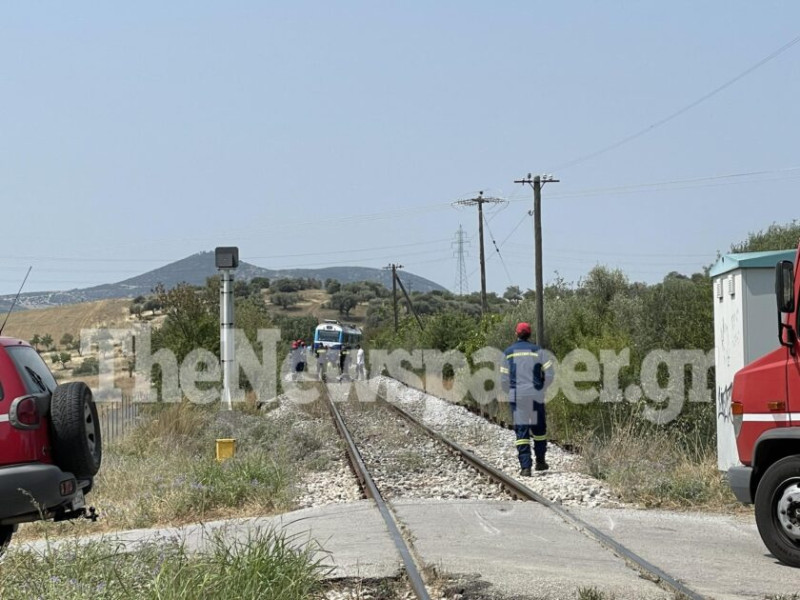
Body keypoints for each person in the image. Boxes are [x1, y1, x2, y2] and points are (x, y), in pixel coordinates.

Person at [500, 322, 555, 476]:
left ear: (516, 334)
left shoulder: (508, 353)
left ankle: (525, 468)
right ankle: (540, 462)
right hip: (535, 395)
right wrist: (542, 389)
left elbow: (504, 379)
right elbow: (550, 374)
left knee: (522, 431)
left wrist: (510, 392)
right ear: (530, 335)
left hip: (518, 396)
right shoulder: (539, 351)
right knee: (539, 430)